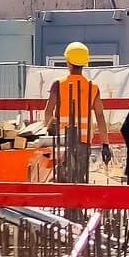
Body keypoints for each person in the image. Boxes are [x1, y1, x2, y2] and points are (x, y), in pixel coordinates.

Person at [43, 42, 111, 183]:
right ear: (84, 63)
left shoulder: (58, 84)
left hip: (61, 141)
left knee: (61, 179)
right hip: (83, 143)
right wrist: (105, 144)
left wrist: (50, 130)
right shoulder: (92, 87)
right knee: (79, 180)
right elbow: (100, 116)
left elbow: (48, 112)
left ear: (68, 62)